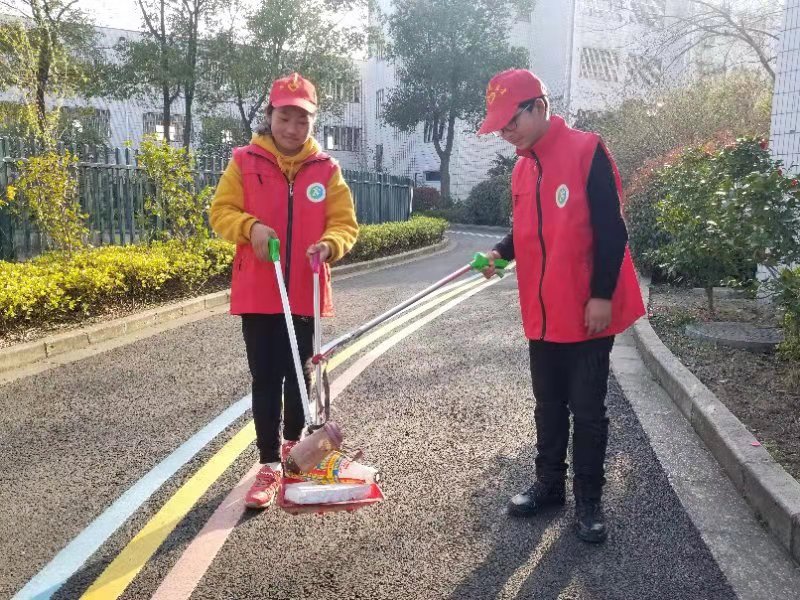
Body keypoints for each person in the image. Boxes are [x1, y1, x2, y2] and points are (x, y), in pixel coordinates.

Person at [477, 69, 645, 543]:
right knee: (548, 405)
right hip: (542, 313)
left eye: (510, 122)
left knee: (587, 411)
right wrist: (499, 254)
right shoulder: (522, 167)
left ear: (538, 106)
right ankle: (549, 486)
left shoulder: (586, 150)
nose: (506, 133)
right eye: (499, 127)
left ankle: (589, 500)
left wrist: (601, 296)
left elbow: (612, 230)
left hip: (587, 311)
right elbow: (525, 230)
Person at [210, 72, 358, 509]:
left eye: (302, 120)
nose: (293, 128)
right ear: (270, 115)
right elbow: (221, 212)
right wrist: (250, 227)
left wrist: (330, 245)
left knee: (298, 376)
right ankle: (268, 464)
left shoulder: (327, 169)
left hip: (305, 290)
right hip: (259, 290)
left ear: (313, 121)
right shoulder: (245, 161)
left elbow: (344, 224)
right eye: (285, 117)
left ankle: (295, 450)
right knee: (265, 378)